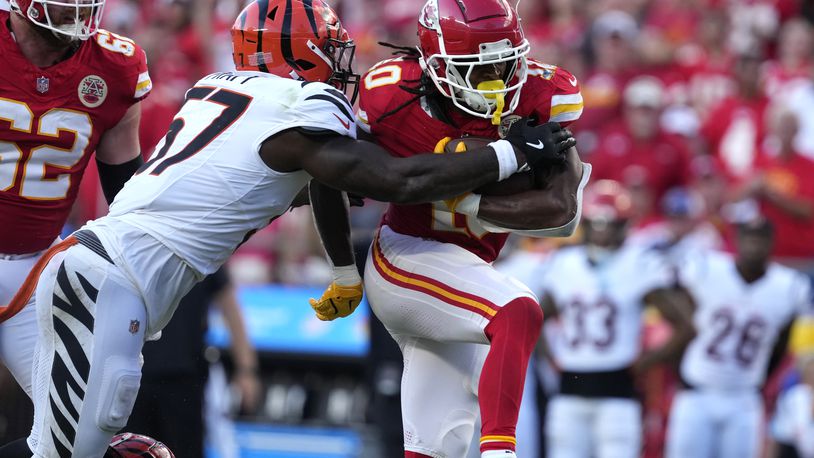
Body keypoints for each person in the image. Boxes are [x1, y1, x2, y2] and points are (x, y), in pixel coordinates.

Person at [0, 0, 576, 455]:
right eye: (328, 48)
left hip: (95, 268)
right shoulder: (297, 112)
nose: (342, 61)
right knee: (83, 446)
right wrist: (509, 153)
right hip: (108, 280)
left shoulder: (225, 93)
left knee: (81, 446)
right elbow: (396, 181)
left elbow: (327, 180)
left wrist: (344, 270)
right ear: (297, 57)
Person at [357, 0, 591, 456]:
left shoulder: (542, 95)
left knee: (439, 444)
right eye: (477, 70)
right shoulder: (391, 98)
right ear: (434, 64)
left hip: (463, 273)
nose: (496, 83)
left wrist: (461, 195)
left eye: (504, 65)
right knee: (517, 310)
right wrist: (342, 269)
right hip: (407, 256)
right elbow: (342, 177)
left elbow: (562, 212)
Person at [0, 0, 149, 445]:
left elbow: (126, 189)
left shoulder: (115, 66)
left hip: (34, 270)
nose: (78, 16)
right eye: (65, 6)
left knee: (82, 432)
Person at [531, 180, 695, 458]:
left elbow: (685, 325)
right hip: (570, 389)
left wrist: (643, 363)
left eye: (609, 224)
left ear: (624, 225)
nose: (602, 232)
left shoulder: (639, 264)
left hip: (617, 390)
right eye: (597, 223)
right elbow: (535, 319)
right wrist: (553, 358)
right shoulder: (565, 263)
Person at [665, 218, 813, 458]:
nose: (754, 244)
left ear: (772, 242)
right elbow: (672, 307)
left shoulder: (789, 287)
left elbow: (781, 344)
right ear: (737, 240)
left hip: (743, 397)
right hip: (697, 390)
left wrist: (761, 378)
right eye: (749, 237)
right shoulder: (708, 268)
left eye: (761, 238)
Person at [125, 267, 260, 458]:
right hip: (134, 377)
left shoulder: (200, 248)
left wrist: (247, 370)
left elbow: (231, 307)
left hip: (184, 378)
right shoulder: (134, 247)